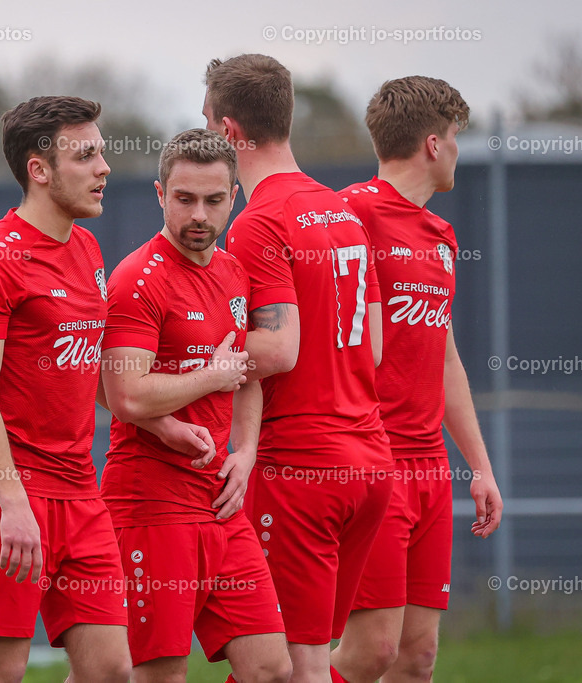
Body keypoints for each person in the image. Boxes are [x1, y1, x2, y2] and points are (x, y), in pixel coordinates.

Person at [203, 53, 394, 683]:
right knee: (279, 664)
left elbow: (280, 349)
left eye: (207, 123)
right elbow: (372, 351)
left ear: (230, 131)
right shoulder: (342, 213)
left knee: (296, 669)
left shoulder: (258, 222)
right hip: (369, 460)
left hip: (303, 468)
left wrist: (187, 362)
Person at [0, 96, 131, 683]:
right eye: (86, 156)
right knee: (2, 669)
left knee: (109, 670)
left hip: (80, 489)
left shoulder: (87, 248)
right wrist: (12, 504)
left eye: (101, 152)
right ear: (39, 170)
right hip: (5, 490)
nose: (104, 167)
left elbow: (88, 370)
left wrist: (160, 417)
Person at [100, 128, 291, 683]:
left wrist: (248, 449)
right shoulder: (138, 280)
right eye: (184, 199)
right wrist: (212, 374)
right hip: (151, 504)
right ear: (160, 195)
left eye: (213, 199)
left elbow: (246, 374)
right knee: (156, 673)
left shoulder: (235, 272)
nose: (199, 214)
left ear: (235, 196)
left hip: (221, 504)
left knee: (272, 670)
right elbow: (126, 392)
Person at [330, 76, 504, 683]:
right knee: (369, 652)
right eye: (456, 136)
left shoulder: (441, 235)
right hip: (371, 461)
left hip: (430, 466)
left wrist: (478, 465)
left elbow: (444, 355)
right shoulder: (348, 214)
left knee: (417, 657)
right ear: (433, 143)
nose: (458, 149)